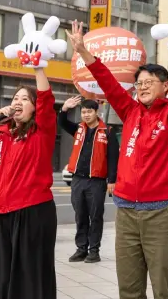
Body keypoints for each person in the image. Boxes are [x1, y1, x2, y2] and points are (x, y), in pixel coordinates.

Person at [68, 21, 168, 299]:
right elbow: (109, 84)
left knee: (163, 290)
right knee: (129, 290)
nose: (143, 87)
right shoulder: (131, 111)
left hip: (160, 214)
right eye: (139, 83)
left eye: (150, 82)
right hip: (126, 213)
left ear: (165, 86)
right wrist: (83, 52)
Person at [0, 67, 57, 299]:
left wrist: (38, 68)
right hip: (3, 213)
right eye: (15, 98)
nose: (18, 102)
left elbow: (46, 97)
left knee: (29, 274)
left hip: (33, 212)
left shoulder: (42, 131)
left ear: (35, 107)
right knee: (1, 274)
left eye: (25, 99)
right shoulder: (2, 133)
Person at [59, 95, 119, 263]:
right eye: (83, 112)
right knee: (80, 215)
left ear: (96, 112)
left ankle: (94, 250)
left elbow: (114, 158)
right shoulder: (78, 129)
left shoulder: (108, 131)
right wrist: (64, 109)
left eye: (89, 111)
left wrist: (112, 181)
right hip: (78, 179)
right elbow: (62, 123)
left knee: (96, 216)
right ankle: (81, 248)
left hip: (97, 181)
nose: (86, 115)